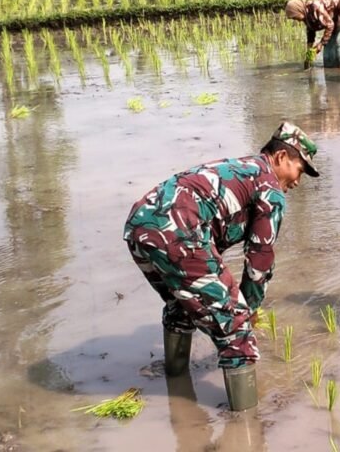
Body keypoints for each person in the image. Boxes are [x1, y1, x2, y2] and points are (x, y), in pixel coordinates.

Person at [123, 122, 320, 410]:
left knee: (182, 304)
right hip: (176, 230)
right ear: (280, 158)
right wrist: (248, 311)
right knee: (236, 329)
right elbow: (259, 261)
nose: (297, 181)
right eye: (299, 170)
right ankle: (246, 427)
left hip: (139, 224)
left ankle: (176, 386)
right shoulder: (270, 189)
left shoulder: (241, 168)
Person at [284, 0, 340, 69]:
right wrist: (309, 54)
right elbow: (310, 32)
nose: (295, 20)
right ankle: (335, 67)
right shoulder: (307, 15)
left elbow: (330, 25)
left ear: (298, 10)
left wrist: (321, 44)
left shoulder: (315, 7)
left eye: (294, 17)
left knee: (338, 41)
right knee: (329, 48)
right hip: (334, 17)